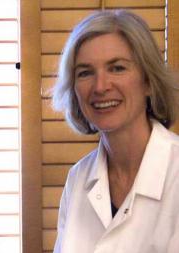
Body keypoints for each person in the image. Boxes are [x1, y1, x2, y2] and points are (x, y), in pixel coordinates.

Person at [52, 10, 179, 253]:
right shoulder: (78, 179)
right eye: (85, 73)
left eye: (117, 68)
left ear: (148, 81)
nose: (100, 87)